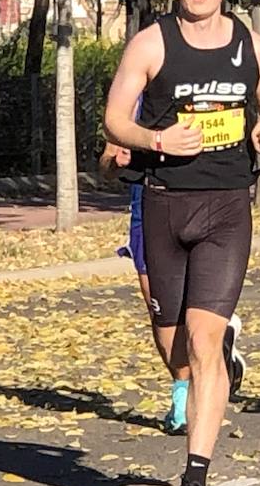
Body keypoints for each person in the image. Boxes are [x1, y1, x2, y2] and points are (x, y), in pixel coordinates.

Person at [103, 0, 260, 486]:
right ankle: (212, 359)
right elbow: (112, 119)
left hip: (227, 208)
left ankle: (192, 485)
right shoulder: (150, 44)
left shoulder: (253, 47)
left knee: (203, 344)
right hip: (163, 205)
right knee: (172, 347)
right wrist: (157, 140)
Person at [99, 142, 245, 433]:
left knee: (197, 322)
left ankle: (187, 397)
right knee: (164, 317)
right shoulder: (132, 101)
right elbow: (106, 163)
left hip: (209, 205)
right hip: (152, 209)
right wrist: (116, 161)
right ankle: (185, 384)